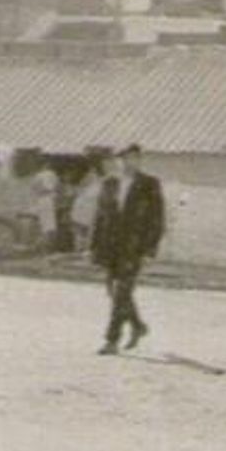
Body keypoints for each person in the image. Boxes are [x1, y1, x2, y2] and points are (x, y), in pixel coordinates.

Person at [89, 145, 165, 356]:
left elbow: (157, 219)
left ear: (139, 160)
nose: (128, 162)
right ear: (118, 161)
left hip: (134, 247)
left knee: (122, 290)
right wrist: (94, 247)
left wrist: (150, 249)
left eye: (134, 158)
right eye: (124, 158)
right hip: (110, 245)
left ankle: (111, 340)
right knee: (114, 291)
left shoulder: (149, 184)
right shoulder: (109, 183)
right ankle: (138, 325)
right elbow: (99, 216)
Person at [31, 162, 60, 253]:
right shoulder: (53, 175)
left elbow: (34, 187)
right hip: (50, 199)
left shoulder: (38, 175)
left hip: (42, 199)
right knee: (49, 226)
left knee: (44, 225)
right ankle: (46, 248)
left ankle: (42, 248)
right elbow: (57, 186)